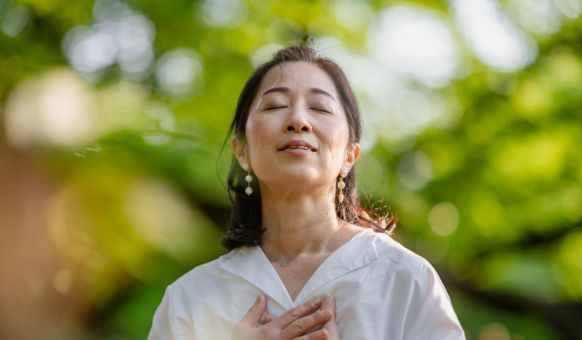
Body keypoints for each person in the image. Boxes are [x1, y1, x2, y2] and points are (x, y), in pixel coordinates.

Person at [148, 44, 465, 340]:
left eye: (320, 108)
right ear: (242, 152)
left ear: (349, 156)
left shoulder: (405, 280)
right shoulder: (189, 299)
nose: (298, 120)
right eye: (275, 105)